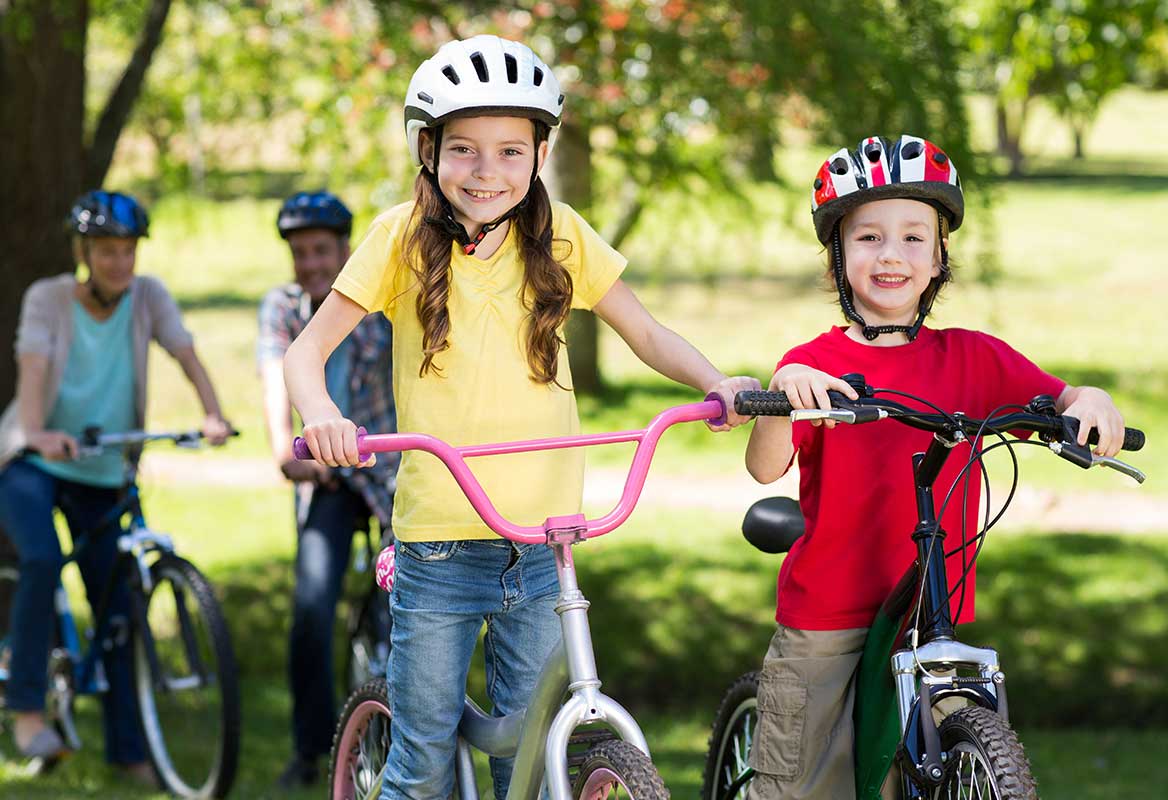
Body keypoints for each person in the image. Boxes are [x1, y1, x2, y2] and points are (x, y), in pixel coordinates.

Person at [284, 34, 760, 800]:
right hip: (439, 547)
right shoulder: (397, 240)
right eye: (465, 150)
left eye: (511, 151)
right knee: (421, 767)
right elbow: (305, 354)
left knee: (532, 766)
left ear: (540, 153)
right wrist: (324, 415)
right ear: (429, 151)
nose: (487, 171)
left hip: (546, 542)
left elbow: (644, 332)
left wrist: (717, 382)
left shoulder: (562, 233)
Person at [742, 135, 1126, 800]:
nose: (891, 254)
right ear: (837, 258)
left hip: (930, 612)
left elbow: (1063, 398)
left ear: (940, 257)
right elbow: (763, 466)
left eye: (914, 237)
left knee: (941, 767)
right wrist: (784, 394)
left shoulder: (976, 359)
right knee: (800, 782)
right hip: (827, 613)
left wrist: (1091, 402)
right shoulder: (814, 362)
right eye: (868, 237)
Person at [0, 190, 231, 779]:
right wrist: (35, 432)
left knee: (120, 606)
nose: (119, 263)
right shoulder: (48, 299)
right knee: (43, 561)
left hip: (103, 469)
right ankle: (26, 709)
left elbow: (185, 351)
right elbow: (30, 368)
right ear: (84, 251)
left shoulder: (147, 297)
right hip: (33, 462)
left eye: (128, 251)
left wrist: (212, 412)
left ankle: (130, 750)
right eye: (106, 251)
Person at [258, 190, 398, 787]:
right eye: (300, 253)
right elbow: (274, 373)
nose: (311, 264)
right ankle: (311, 748)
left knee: (409, 601)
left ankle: (397, 741)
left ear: (345, 248)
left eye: (322, 250)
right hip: (323, 473)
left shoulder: (378, 300)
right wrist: (281, 448)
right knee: (312, 607)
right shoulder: (284, 307)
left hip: (390, 465)